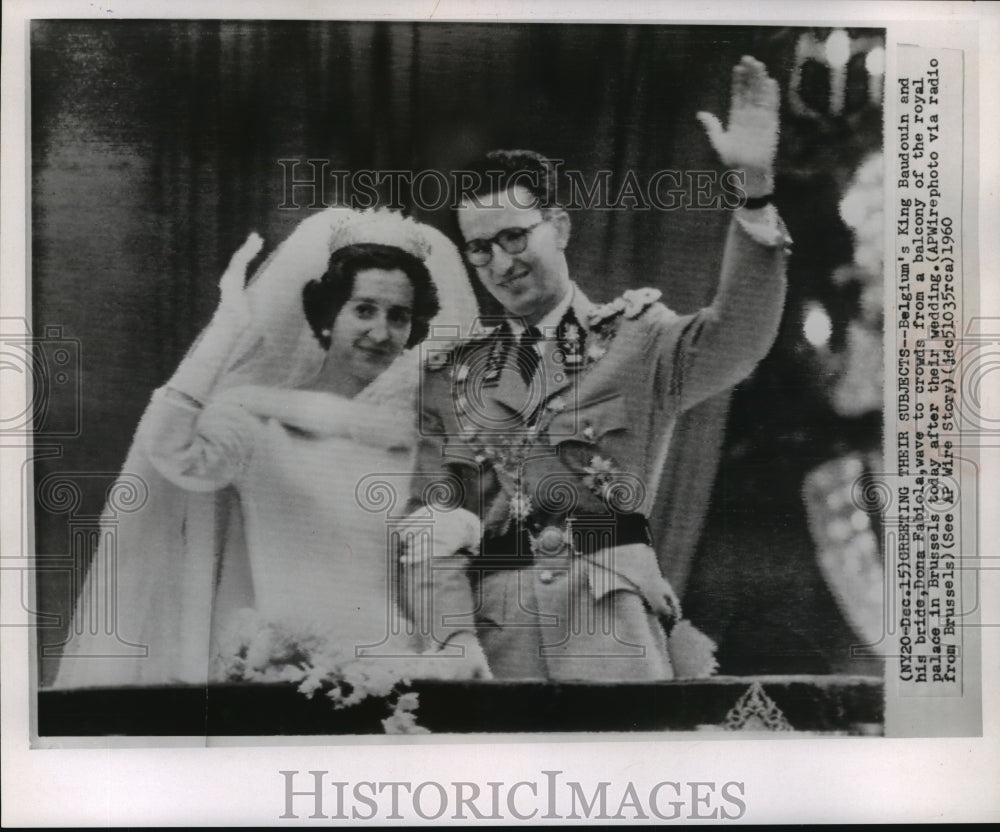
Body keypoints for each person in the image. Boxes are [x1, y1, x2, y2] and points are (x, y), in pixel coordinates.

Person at [402, 56, 792, 682]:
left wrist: (754, 191)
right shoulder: (455, 375)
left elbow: (740, 336)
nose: (499, 265)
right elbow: (430, 521)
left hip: (610, 627)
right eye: (479, 250)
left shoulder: (638, 340)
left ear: (557, 226)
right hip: (496, 644)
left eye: (512, 238)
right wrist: (451, 641)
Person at [51, 207, 484, 689]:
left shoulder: (421, 441)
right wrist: (227, 328)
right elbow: (170, 451)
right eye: (363, 310)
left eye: (398, 316)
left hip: (399, 673)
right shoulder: (260, 421)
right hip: (287, 674)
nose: (381, 333)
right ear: (327, 315)